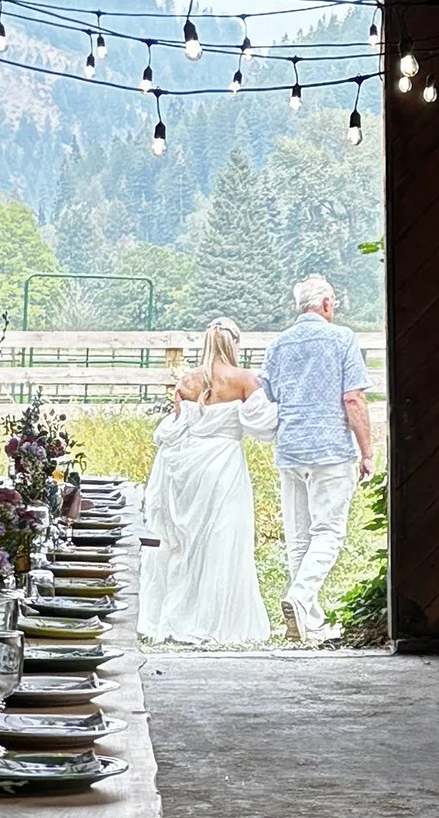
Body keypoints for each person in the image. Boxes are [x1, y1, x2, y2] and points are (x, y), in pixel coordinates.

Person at [136, 318, 271, 648]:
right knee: (223, 541)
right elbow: (262, 425)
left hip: (192, 468)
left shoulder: (189, 381)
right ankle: (215, 620)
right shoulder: (244, 380)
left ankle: (179, 613)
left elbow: (173, 430)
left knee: (189, 542)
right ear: (234, 344)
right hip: (224, 466)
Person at [253, 274, 372, 647]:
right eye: (332, 304)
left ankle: (309, 620)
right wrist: (367, 451)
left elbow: (265, 395)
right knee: (329, 533)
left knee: (299, 538)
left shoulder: (279, 345)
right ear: (325, 305)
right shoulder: (342, 339)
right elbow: (353, 399)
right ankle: (300, 598)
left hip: (290, 449)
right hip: (331, 450)